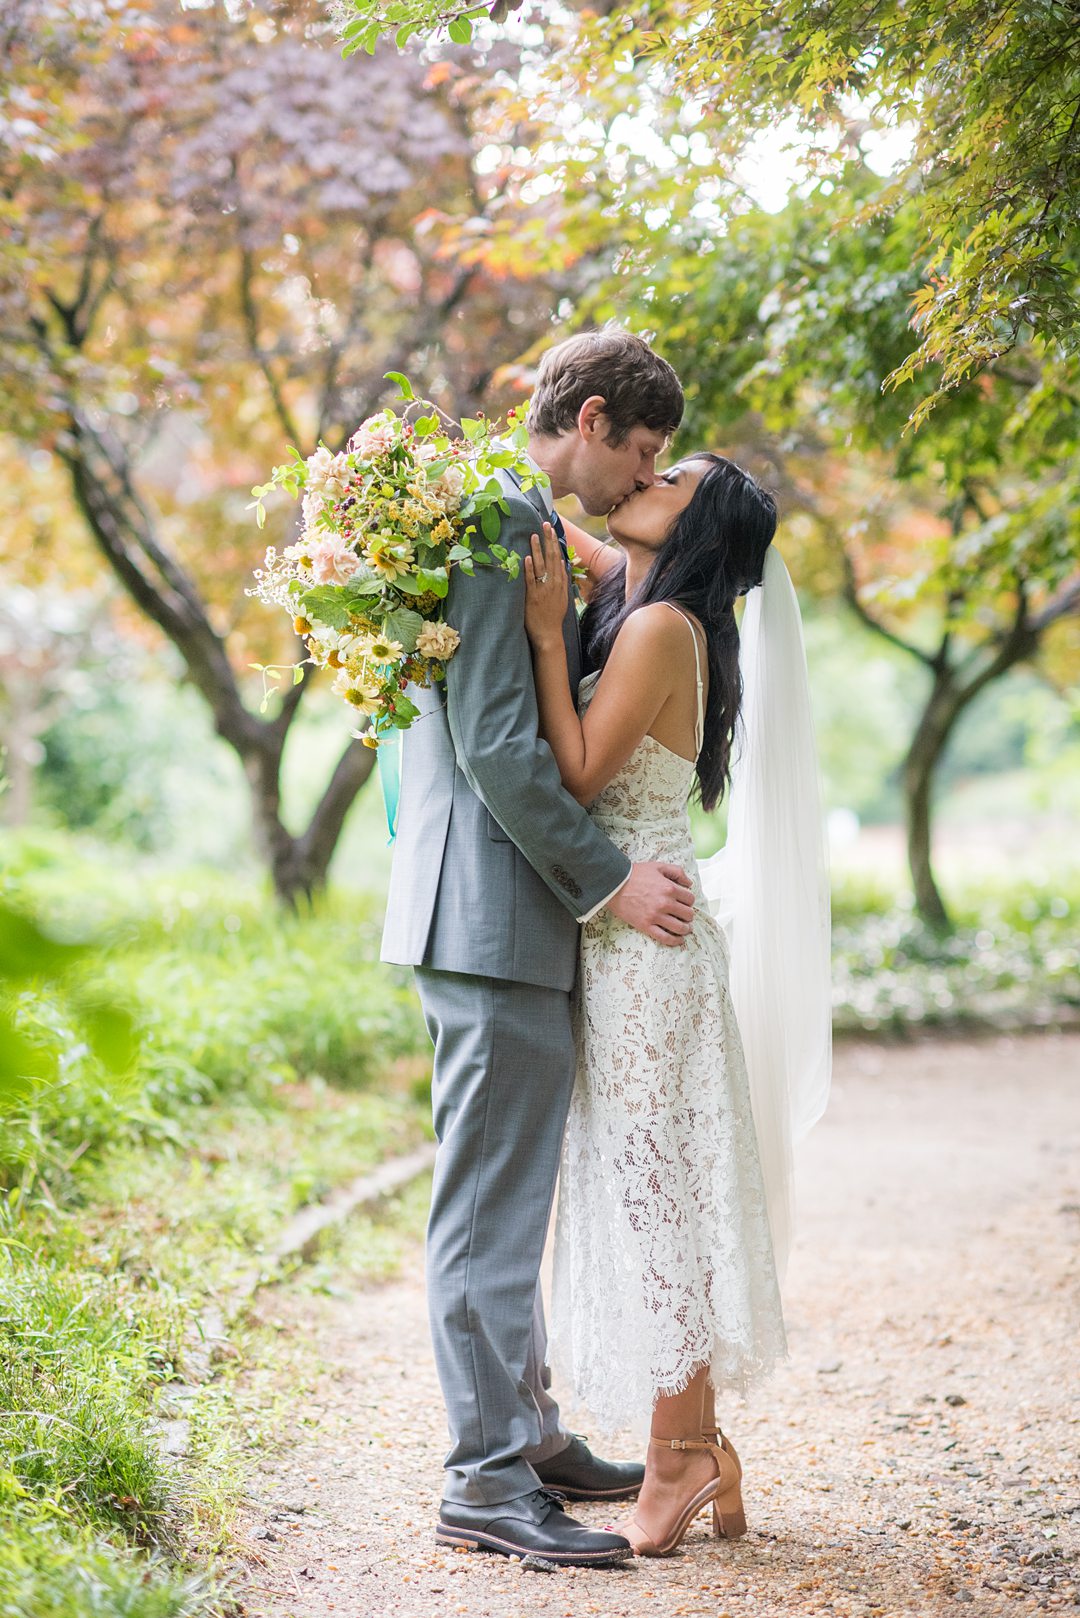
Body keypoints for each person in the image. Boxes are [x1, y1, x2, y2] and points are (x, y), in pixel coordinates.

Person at [380, 328, 693, 1567]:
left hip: (486, 911)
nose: (640, 479)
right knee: (488, 1209)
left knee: (511, 1192)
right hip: (492, 911)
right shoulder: (506, 520)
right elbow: (499, 749)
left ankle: (531, 1432)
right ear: (597, 416)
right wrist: (611, 882)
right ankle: (484, 1478)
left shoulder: (508, 516)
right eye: (646, 452)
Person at [523, 451, 831, 1556]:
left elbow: (575, 773)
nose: (644, 474)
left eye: (670, 476)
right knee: (662, 1189)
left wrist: (553, 637)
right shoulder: (662, 606)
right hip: (644, 941)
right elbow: (586, 532)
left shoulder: (656, 631)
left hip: (641, 948)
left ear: (694, 525)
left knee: (654, 1197)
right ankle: (698, 1445)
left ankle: (679, 1458)